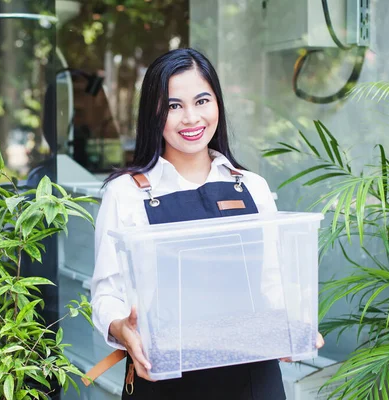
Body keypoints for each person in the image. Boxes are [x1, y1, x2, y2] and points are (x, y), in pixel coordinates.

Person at [90, 48, 324, 399]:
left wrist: (290, 327)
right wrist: (121, 327)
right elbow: (107, 292)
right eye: (174, 106)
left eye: (202, 101)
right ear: (154, 112)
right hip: (164, 378)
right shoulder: (126, 193)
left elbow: (272, 284)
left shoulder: (251, 186)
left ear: (217, 104)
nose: (191, 118)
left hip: (252, 378)